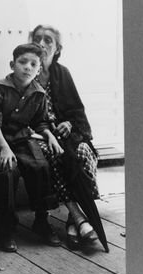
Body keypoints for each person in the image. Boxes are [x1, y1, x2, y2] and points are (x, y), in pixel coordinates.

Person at [0, 43, 64, 252]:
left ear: (39, 69)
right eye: (22, 62)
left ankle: (41, 221)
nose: (27, 67)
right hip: (0, 139)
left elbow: (41, 122)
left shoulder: (38, 93)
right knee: (6, 171)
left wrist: (50, 136)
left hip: (23, 138)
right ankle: (5, 228)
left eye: (33, 64)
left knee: (40, 165)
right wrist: (3, 147)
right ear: (13, 64)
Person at [31, 24, 100, 249]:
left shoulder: (62, 73)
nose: (41, 44)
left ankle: (73, 221)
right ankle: (80, 218)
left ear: (57, 49)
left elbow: (77, 111)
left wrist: (69, 123)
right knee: (52, 154)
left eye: (48, 40)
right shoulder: (26, 70)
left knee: (84, 152)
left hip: (64, 135)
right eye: (38, 38)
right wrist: (46, 131)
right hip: (38, 136)